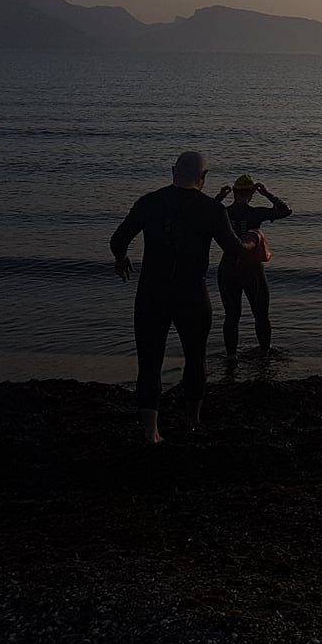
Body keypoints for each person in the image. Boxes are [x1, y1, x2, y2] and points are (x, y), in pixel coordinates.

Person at [110, 151, 250, 444]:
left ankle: (151, 431)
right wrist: (253, 241)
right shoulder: (212, 209)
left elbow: (118, 240)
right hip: (192, 294)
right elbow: (234, 250)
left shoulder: (149, 202)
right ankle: (192, 421)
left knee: (149, 362)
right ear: (204, 177)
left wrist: (121, 258)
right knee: (195, 358)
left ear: (173, 170)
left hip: (152, 292)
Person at [215, 175, 292, 357]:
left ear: (234, 192)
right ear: (252, 193)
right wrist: (267, 194)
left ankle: (231, 357)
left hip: (228, 268)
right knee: (261, 314)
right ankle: (265, 354)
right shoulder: (256, 213)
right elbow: (285, 211)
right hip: (252, 270)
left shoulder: (223, 212)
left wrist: (219, 198)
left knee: (231, 315)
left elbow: (202, 214)